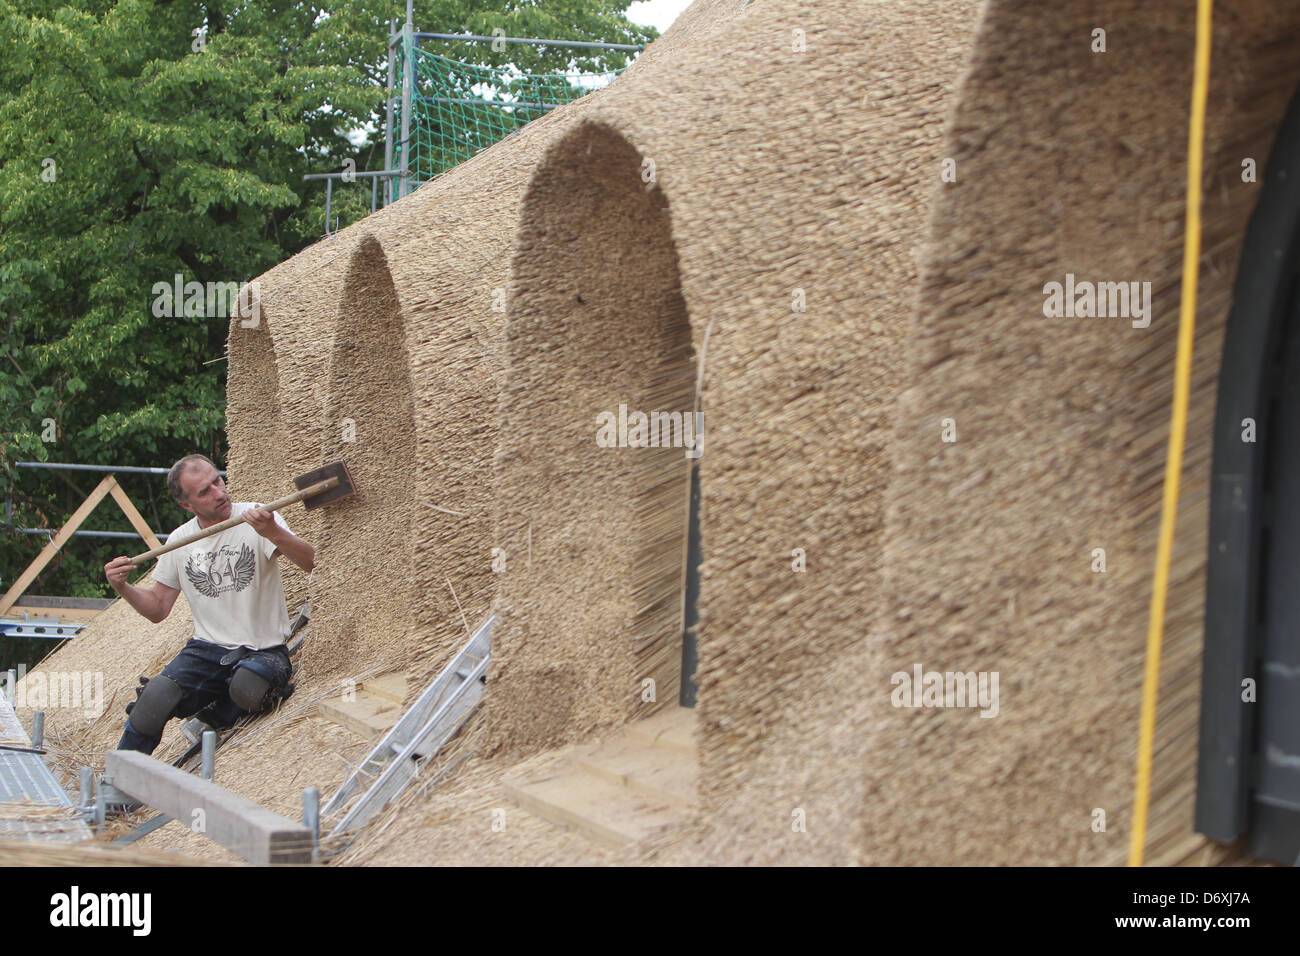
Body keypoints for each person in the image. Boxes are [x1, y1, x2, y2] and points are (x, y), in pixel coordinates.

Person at [102, 454, 316, 769]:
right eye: (205, 491)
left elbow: (312, 564)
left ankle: (219, 711)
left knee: (247, 688)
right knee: (155, 697)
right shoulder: (179, 541)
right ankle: (118, 780)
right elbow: (158, 609)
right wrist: (123, 587)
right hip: (207, 650)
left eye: (218, 480)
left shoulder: (259, 516)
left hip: (264, 648)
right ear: (187, 505)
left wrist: (273, 533)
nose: (219, 492)